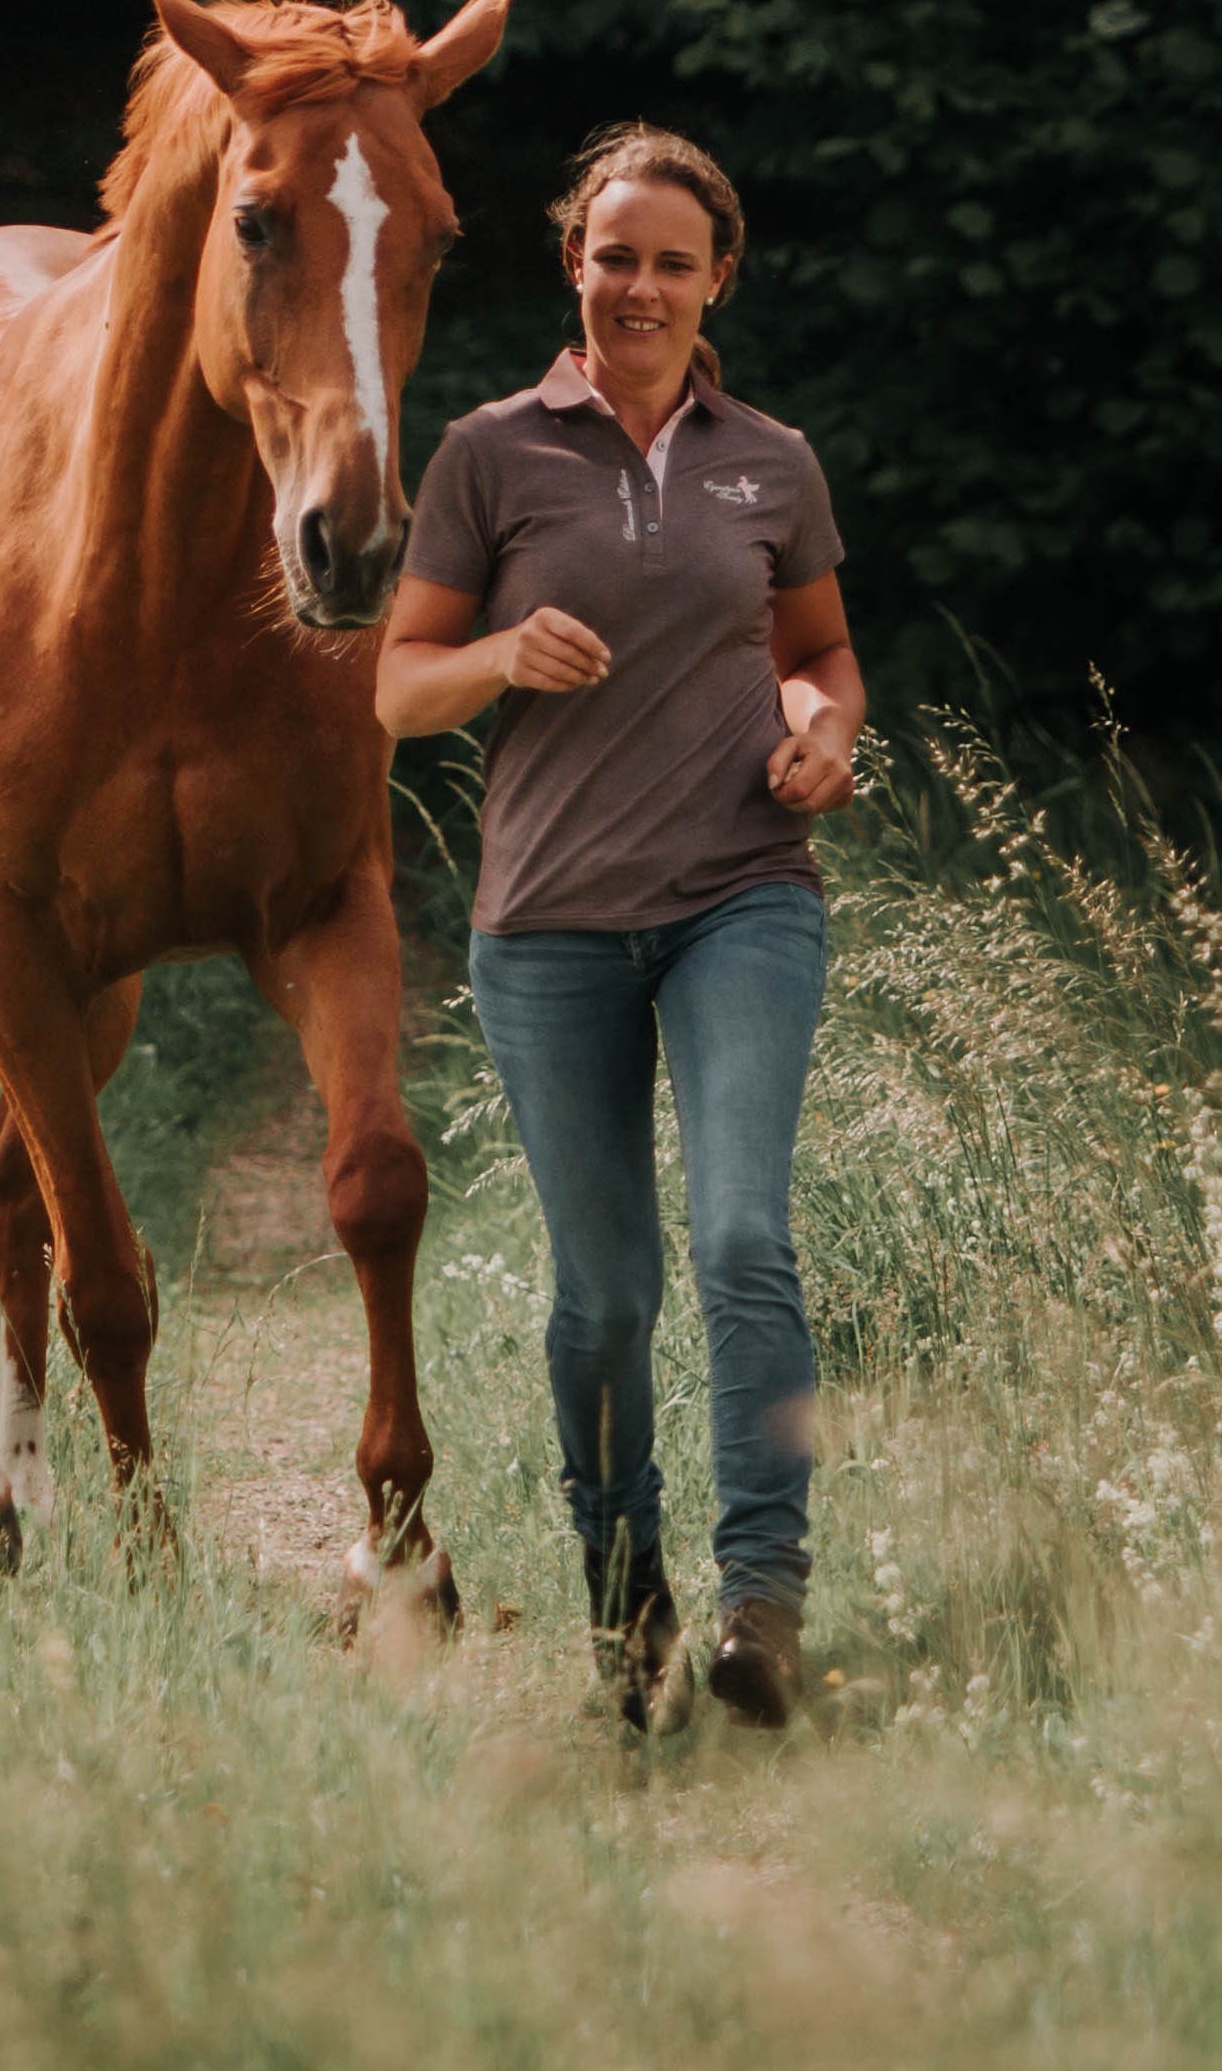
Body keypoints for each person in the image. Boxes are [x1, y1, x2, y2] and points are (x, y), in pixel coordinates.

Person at [376, 124, 863, 1731]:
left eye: (671, 260)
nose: (638, 285)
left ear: (716, 276)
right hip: (550, 925)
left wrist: (823, 730)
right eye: (612, 255)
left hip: (743, 893)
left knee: (742, 1240)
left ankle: (760, 1600)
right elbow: (396, 690)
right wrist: (503, 652)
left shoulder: (768, 459)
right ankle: (619, 1587)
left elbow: (817, 654)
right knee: (604, 1295)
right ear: (570, 265)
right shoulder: (487, 453)